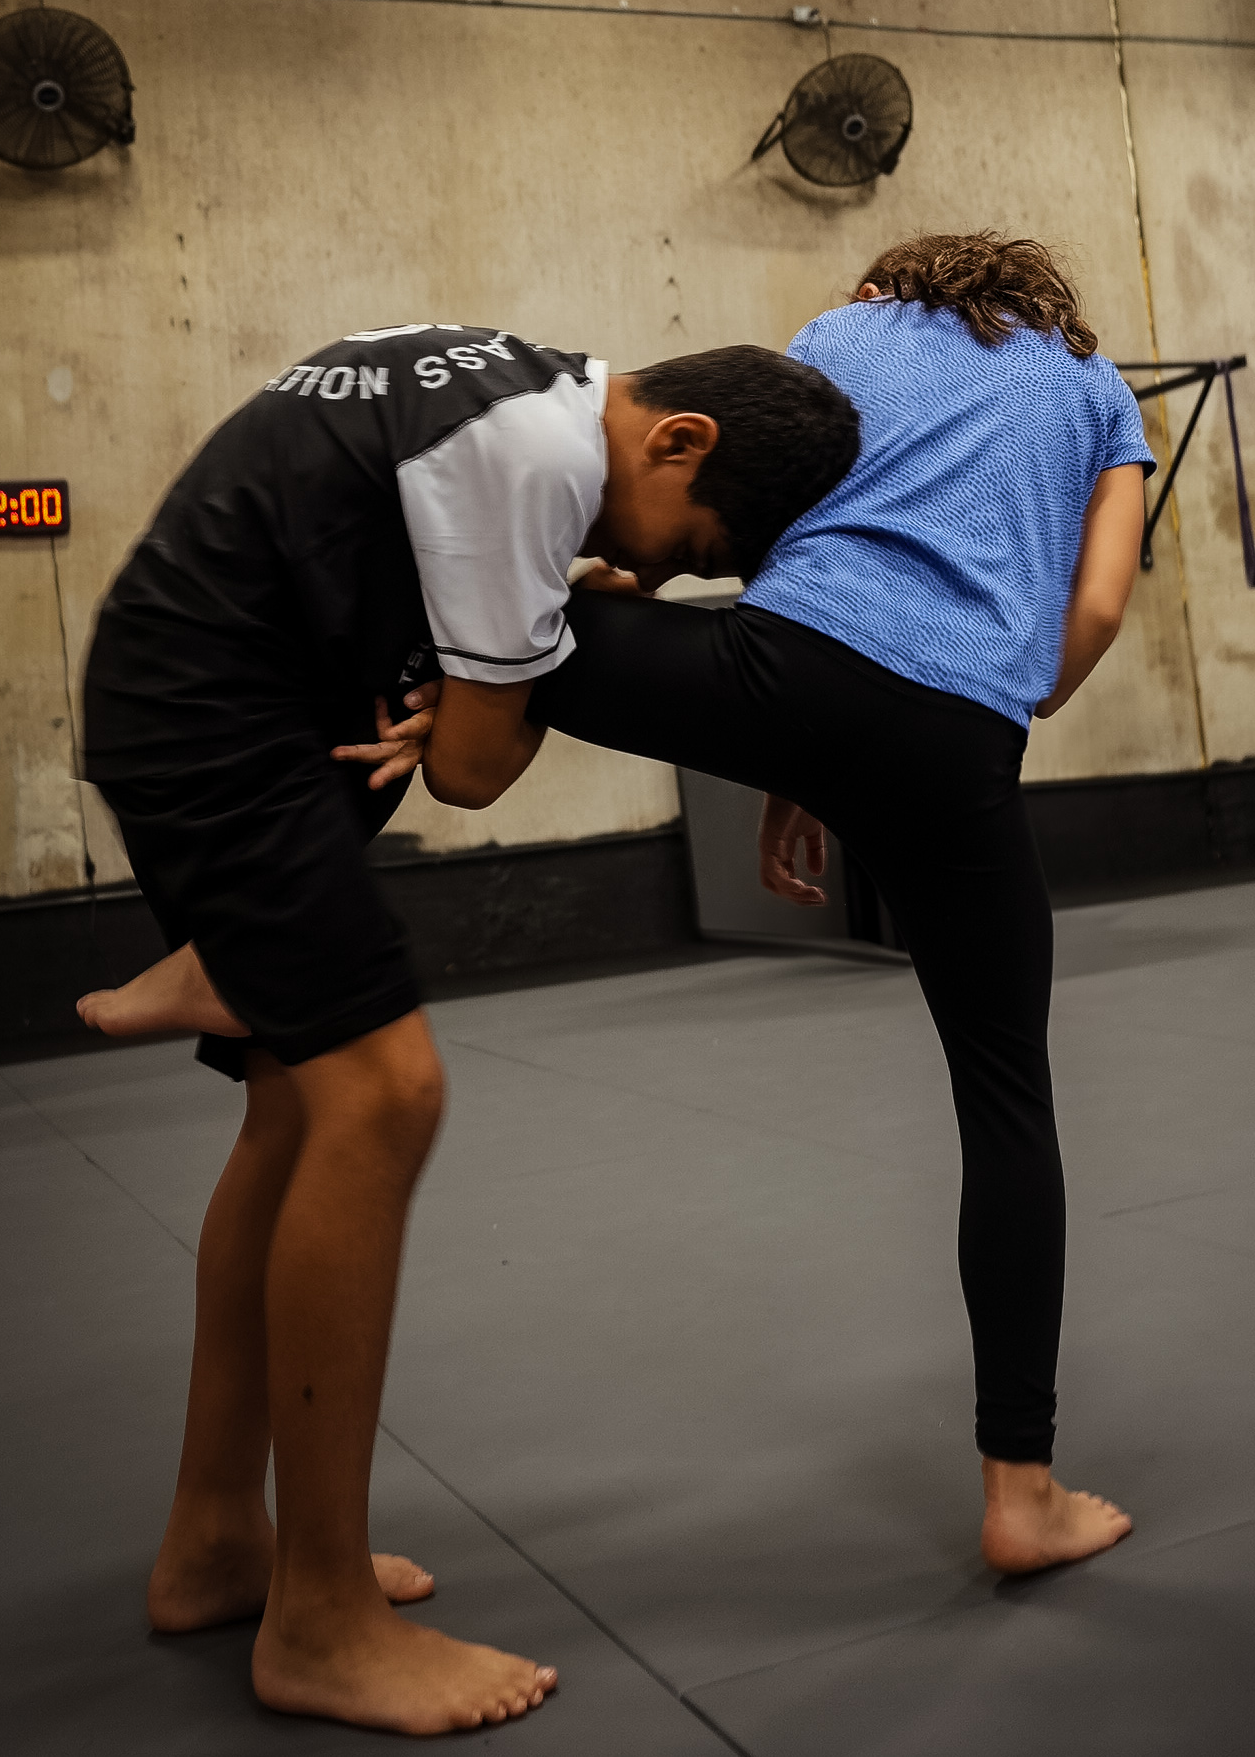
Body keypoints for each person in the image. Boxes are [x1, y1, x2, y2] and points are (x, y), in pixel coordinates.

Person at [73, 322, 858, 1736]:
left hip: (207, 696)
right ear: (677, 440)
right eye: (686, 546)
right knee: (388, 1096)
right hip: (224, 727)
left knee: (296, 1112)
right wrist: (525, 658)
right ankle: (319, 1621)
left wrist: (490, 655)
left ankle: (216, 1540)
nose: (652, 574)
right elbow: (476, 770)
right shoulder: (540, 462)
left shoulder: (521, 387)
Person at [367, 233, 1152, 1576]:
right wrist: (979, 720)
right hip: (963, 741)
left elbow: (769, 517)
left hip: (778, 666)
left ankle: (303, 850)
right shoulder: (1101, 394)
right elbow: (1095, 609)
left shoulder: (845, 333)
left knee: (498, 628)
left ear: (899, 280)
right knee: (1007, 1101)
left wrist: (798, 747)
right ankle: (1022, 1492)